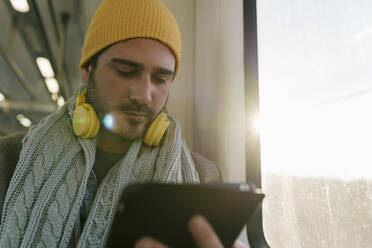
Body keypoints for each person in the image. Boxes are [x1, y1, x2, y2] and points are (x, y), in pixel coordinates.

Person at [0, 0, 244, 247]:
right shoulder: (7, 161)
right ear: (87, 68)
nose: (143, 95)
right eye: (126, 71)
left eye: (160, 78)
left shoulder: (205, 177)